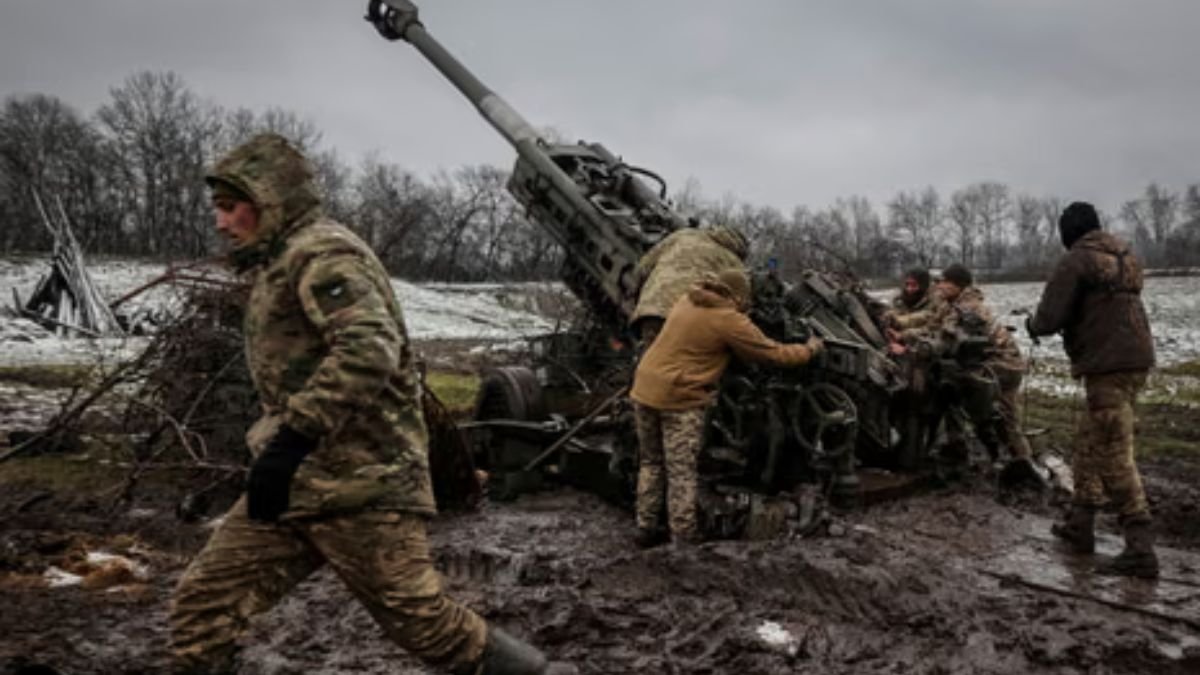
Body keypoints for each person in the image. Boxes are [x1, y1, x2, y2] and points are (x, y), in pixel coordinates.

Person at [169, 134, 575, 674]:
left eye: (229, 207)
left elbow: (369, 346)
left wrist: (292, 438)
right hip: (301, 482)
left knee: (423, 621)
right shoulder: (283, 259)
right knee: (204, 603)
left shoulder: (322, 253)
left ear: (267, 201)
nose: (221, 223)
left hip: (361, 482)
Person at [629, 267, 822, 547]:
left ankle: (645, 528)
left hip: (644, 388)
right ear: (739, 295)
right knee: (681, 470)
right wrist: (810, 349)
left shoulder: (688, 299)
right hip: (678, 396)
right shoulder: (727, 319)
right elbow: (773, 354)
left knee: (651, 462)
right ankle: (683, 537)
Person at [1028, 201, 1158, 578]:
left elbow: (1050, 317)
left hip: (1107, 366)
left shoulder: (1077, 260)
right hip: (1136, 360)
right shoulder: (1126, 254)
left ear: (1068, 231)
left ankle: (1140, 546)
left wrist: (1033, 327)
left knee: (1114, 453)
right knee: (1090, 442)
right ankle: (1080, 525)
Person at [927, 263, 1033, 467]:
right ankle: (1003, 457)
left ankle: (1021, 464)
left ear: (957, 285)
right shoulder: (957, 304)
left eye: (945, 282)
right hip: (998, 363)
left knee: (994, 413)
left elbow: (948, 340)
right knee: (956, 394)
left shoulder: (967, 308)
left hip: (1002, 365)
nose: (940, 286)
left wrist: (923, 347)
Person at [630, 224, 749, 350]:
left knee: (649, 355)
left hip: (651, 308)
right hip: (685, 318)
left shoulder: (686, 234)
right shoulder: (735, 263)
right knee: (667, 364)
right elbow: (739, 304)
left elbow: (643, 267)